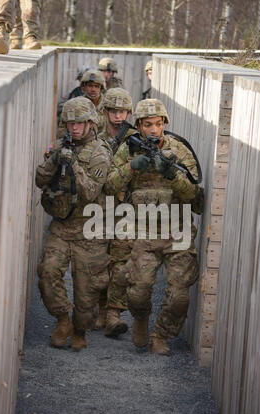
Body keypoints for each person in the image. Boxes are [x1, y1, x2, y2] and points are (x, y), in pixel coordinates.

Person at [104, 98, 203, 356]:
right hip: (144, 233)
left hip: (177, 232)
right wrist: (130, 168)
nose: (153, 130)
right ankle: (140, 319)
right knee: (138, 292)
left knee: (179, 295)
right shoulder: (128, 149)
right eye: (148, 124)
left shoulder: (179, 150)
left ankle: (160, 335)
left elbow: (194, 196)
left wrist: (172, 174)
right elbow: (110, 187)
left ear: (164, 125)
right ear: (138, 125)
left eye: (158, 124)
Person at [36, 97, 112, 351]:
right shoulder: (60, 147)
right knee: (47, 272)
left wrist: (74, 164)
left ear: (90, 123)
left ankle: (80, 330)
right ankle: (63, 320)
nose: (74, 128)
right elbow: (39, 179)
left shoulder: (100, 152)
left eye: (79, 123)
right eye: (70, 123)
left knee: (87, 289)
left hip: (89, 229)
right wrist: (55, 160)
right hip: (61, 224)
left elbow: (90, 192)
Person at [97, 87, 135, 337]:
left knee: (120, 266)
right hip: (96, 210)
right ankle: (98, 309)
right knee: (97, 263)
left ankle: (113, 314)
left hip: (125, 210)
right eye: (113, 111)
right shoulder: (93, 134)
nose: (118, 117)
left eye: (122, 111)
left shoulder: (136, 138)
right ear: (105, 111)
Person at [80, 69, 106, 133]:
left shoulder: (108, 104)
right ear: (84, 87)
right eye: (90, 86)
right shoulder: (78, 104)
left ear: (101, 88)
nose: (93, 89)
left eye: (96, 86)